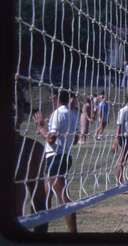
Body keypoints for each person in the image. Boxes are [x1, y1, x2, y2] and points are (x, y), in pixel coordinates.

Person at [34, 89, 78, 232]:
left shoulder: (58, 113)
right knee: (44, 197)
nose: (50, 98)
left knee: (62, 198)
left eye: (51, 95)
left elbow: (51, 139)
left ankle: (74, 234)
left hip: (56, 158)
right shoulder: (72, 113)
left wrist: (40, 127)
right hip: (64, 156)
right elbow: (76, 139)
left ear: (56, 97)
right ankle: (41, 232)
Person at [16, 89, 49, 233]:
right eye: (9, 102)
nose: (15, 108)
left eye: (18, 103)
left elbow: (39, 203)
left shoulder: (33, 150)